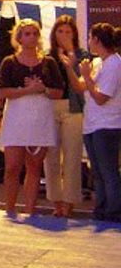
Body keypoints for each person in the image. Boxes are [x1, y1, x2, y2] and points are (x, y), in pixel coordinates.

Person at [0, 19, 61, 217]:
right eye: (27, 34)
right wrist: (26, 90)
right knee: (12, 166)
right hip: (17, 115)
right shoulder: (9, 62)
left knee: (34, 166)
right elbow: (3, 91)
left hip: (40, 116)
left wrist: (43, 89)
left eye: (35, 33)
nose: (31, 37)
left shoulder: (49, 63)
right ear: (19, 37)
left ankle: (30, 210)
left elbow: (58, 91)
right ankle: (10, 209)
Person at [47, 15, 88, 217]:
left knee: (72, 157)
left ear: (74, 35)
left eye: (68, 32)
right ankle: (56, 201)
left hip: (73, 109)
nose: (63, 35)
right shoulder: (47, 56)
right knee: (51, 157)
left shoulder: (82, 56)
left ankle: (70, 202)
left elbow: (81, 87)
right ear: (54, 34)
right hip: (51, 107)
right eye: (60, 31)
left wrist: (70, 63)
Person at [80, 23, 121, 222]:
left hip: (108, 124)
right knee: (97, 171)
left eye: (90, 38)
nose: (88, 42)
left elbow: (101, 97)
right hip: (93, 123)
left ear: (96, 39)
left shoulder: (114, 63)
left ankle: (114, 210)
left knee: (108, 170)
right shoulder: (98, 62)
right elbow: (82, 87)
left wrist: (87, 76)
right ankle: (102, 207)